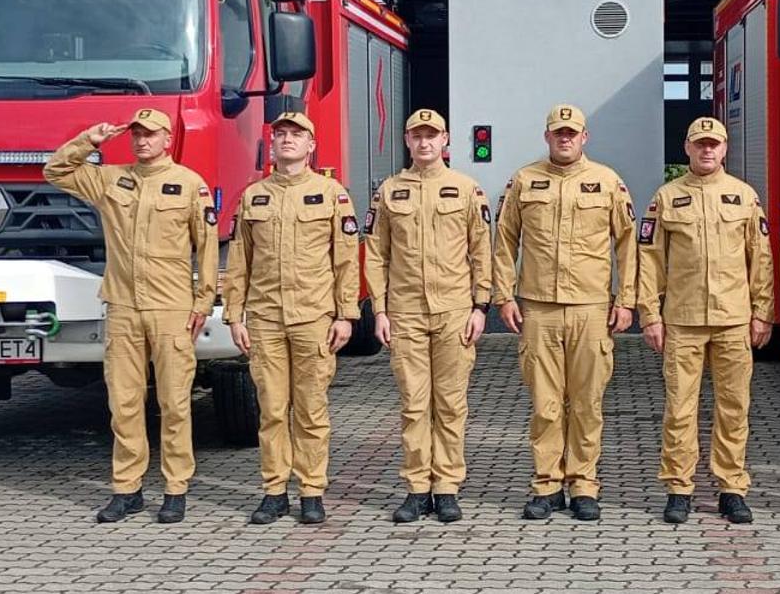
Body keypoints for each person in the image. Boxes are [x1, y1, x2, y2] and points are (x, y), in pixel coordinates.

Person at [44, 108, 215, 524]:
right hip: (123, 306)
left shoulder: (189, 184)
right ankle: (127, 489)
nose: (141, 141)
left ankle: (175, 488)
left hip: (171, 308)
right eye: (136, 134)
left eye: (150, 134)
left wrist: (203, 302)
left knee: (174, 403)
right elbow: (55, 171)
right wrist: (90, 139)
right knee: (124, 404)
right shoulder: (110, 180)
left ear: (167, 139)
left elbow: (207, 248)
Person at [492, 104, 637, 522]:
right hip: (539, 309)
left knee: (588, 404)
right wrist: (504, 296)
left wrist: (626, 300)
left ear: (584, 137)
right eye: (559, 132)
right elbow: (504, 241)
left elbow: (628, 245)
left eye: (572, 133)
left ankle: (584, 485)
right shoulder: (524, 181)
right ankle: (547, 486)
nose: (565, 138)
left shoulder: (607, 182)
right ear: (547, 136)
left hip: (591, 308)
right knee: (545, 404)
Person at [223, 111, 359, 526]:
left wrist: (346, 315)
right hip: (265, 318)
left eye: (296, 135)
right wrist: (234, 314)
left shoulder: (331, 194)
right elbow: (239, 261)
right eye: (280, 134)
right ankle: (274, 491)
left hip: (313, 318)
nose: (287, 140)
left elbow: (346, 260)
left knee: (311, 411)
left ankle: (312, 491)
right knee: (271, 410)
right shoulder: (254, 196)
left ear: (311, 145)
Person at [636, 117, 773, 525]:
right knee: (680, 409)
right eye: (700, 143)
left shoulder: (744, 196)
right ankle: (679, 488)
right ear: (687, 148)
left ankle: (732, 488)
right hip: (683, 320)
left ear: (725, 148)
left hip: (733, 320)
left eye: (714, 143)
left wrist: (762, 312)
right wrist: (649, 314)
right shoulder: (667, 198)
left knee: (734, 407)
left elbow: (760, 259)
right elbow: (649, 260)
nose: (707, 150)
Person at [364, 108, 493, 523]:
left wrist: (481, 306)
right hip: (405, 313)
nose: (424, 142)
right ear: (407, 140)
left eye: (431, 135)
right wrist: (379, 310)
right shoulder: (389, 192)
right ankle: (417, 488)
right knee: (414, 405)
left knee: (451, 404)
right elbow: (376, 255)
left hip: (454, 311)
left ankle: (447, 487)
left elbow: (481, 251)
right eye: (417, 135)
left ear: (445, 140)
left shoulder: (466, 190)